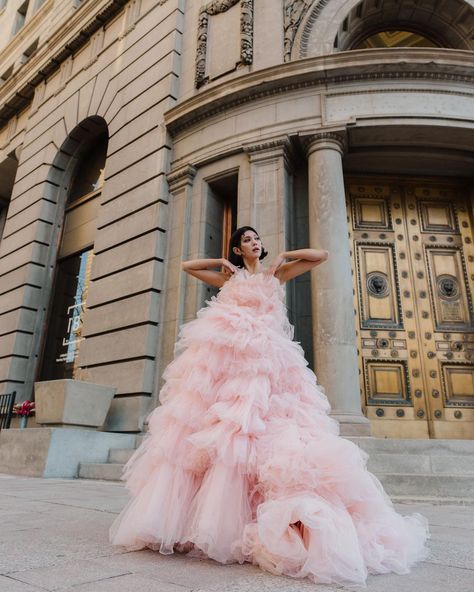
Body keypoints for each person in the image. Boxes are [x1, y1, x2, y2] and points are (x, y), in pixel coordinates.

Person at [110, 226, 429, 586]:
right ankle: (201, 522)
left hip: (268, 363)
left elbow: (320, 256)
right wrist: (220, 261)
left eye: (257, 238)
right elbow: (187, 266)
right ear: (237, 248)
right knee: (225, 432)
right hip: (230, 362)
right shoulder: (228, 278)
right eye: (247, 240)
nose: (255, 243)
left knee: (262, 429)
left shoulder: (276, 273)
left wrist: (281, 258)